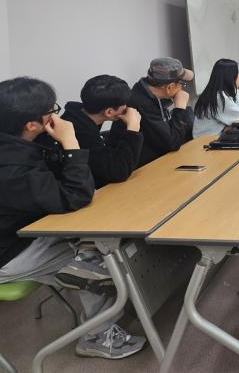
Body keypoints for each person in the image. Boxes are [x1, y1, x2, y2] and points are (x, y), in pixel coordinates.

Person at [0, 77, 146, 359]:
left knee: (101, 243)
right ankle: (97, 337)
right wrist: (70, 141)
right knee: (101, 262)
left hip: (25, 230)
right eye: (51, 111)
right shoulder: (11, 170)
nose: (56, 116)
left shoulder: (21, 143)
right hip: (10, 252)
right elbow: (75, 195)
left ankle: (107, 304)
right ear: (31, 124)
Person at [61, 75, 144, 189]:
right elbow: (119, 171)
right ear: (109, 112)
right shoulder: (80, 134)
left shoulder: (78, 116)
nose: (127, 107)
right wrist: (133, 128)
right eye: (124, 104)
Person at [109, 57, 194, 167]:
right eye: (182, 84)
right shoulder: (142, 104)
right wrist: (180, 108)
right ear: (169, 87)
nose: (182, 88)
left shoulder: (144, 90)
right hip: (138, 170)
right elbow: (173, 143)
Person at [193, 58, 239, 137]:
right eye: (237, 73)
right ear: (230, 77)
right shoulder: (219, 98)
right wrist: (235, 88)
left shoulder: (215, 93)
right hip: (205, 141)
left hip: (210, 137)